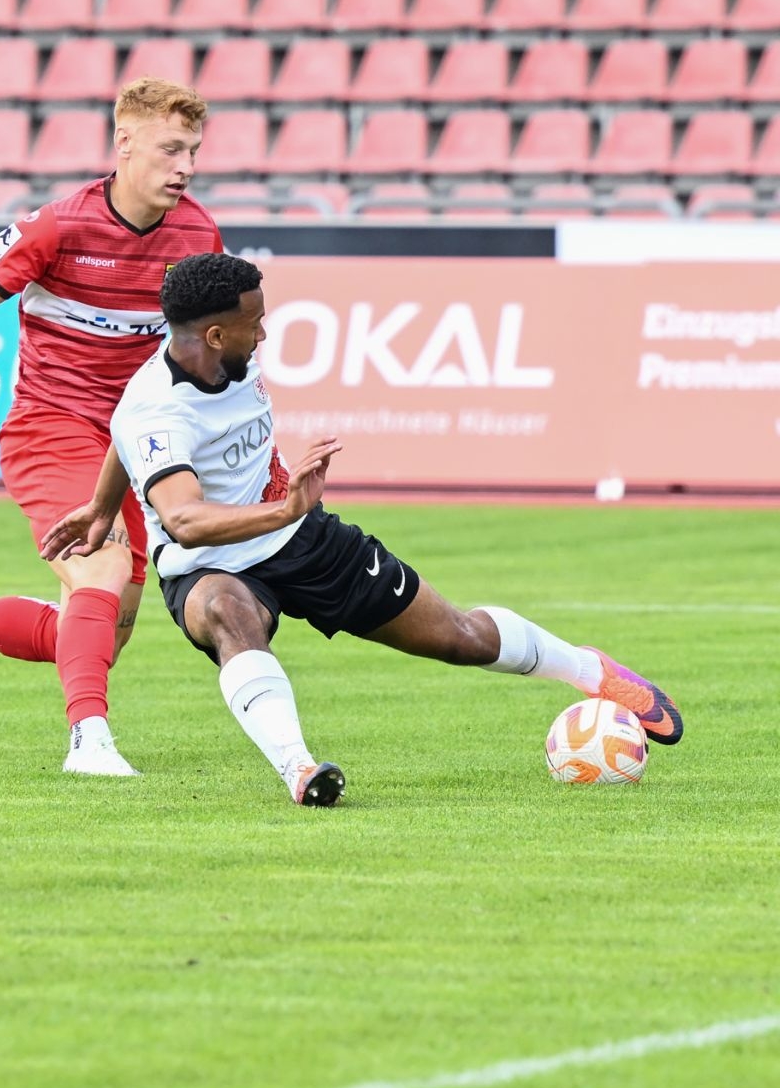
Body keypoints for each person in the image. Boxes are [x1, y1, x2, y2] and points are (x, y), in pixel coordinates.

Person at [39, 252, 684, 805]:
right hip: (208, 562)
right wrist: (283, 509)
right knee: (228, 613)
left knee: (460, 637)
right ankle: (300, 769)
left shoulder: (222, 362)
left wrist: (101, 506)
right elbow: (183, 520)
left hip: (304, 541)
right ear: (212, 334)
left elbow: (124, 441)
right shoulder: (157, 407)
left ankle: (589, 670)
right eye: (253, 322)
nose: (263, 333)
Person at [0, 78, 223, 778]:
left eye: (194, 152)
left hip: (131, 446)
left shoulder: (199, 235)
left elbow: (204, 346)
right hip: (50, 424)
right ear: (124, 143)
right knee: (101, 564)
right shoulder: (57, 227)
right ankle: (89, 741)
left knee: (94, 636)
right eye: (171, 150)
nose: (185, 167)